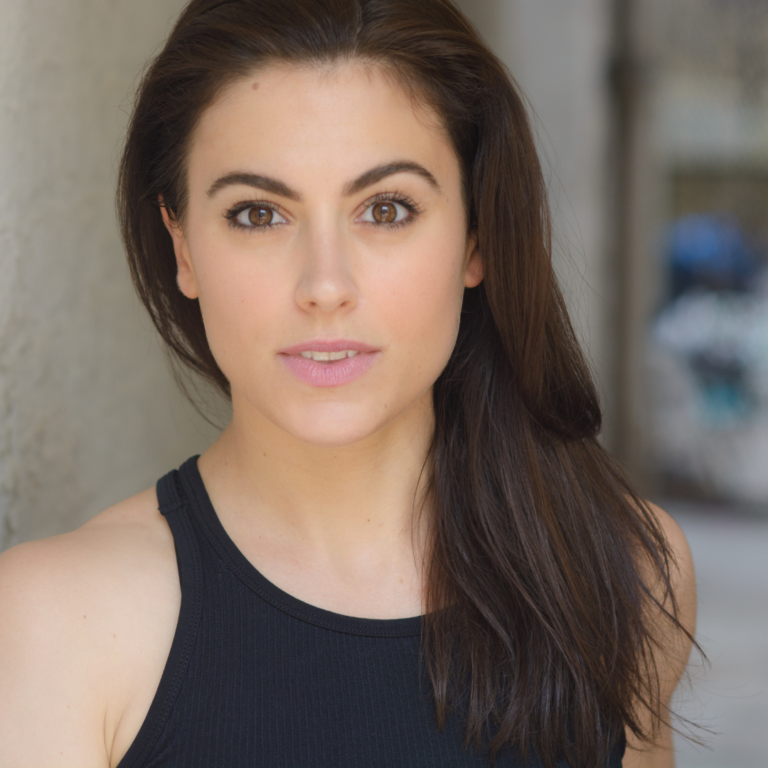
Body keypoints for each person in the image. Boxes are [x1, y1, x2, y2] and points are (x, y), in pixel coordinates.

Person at [0, 1, 697, 766]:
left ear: (475, 236)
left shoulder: (620, 573)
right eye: (258, 214)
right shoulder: (56, 625)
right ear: (183, 248)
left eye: (387, 209)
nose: (325, 285)